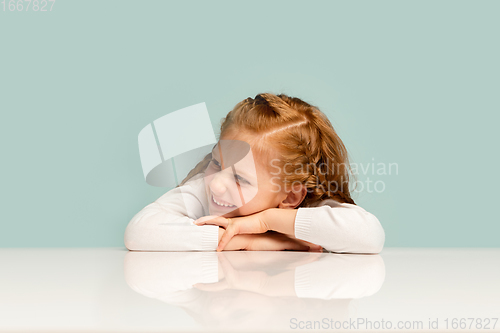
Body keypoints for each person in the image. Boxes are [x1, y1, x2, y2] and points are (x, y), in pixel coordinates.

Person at [124, 93, 385, 253]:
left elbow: (369, 236)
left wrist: (266, 222)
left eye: (240, 178)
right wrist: (245, 240)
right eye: (216, 162)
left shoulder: (310, 204)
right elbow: (140, 232)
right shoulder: (205, 186)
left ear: (291, 197)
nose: (217, 184)